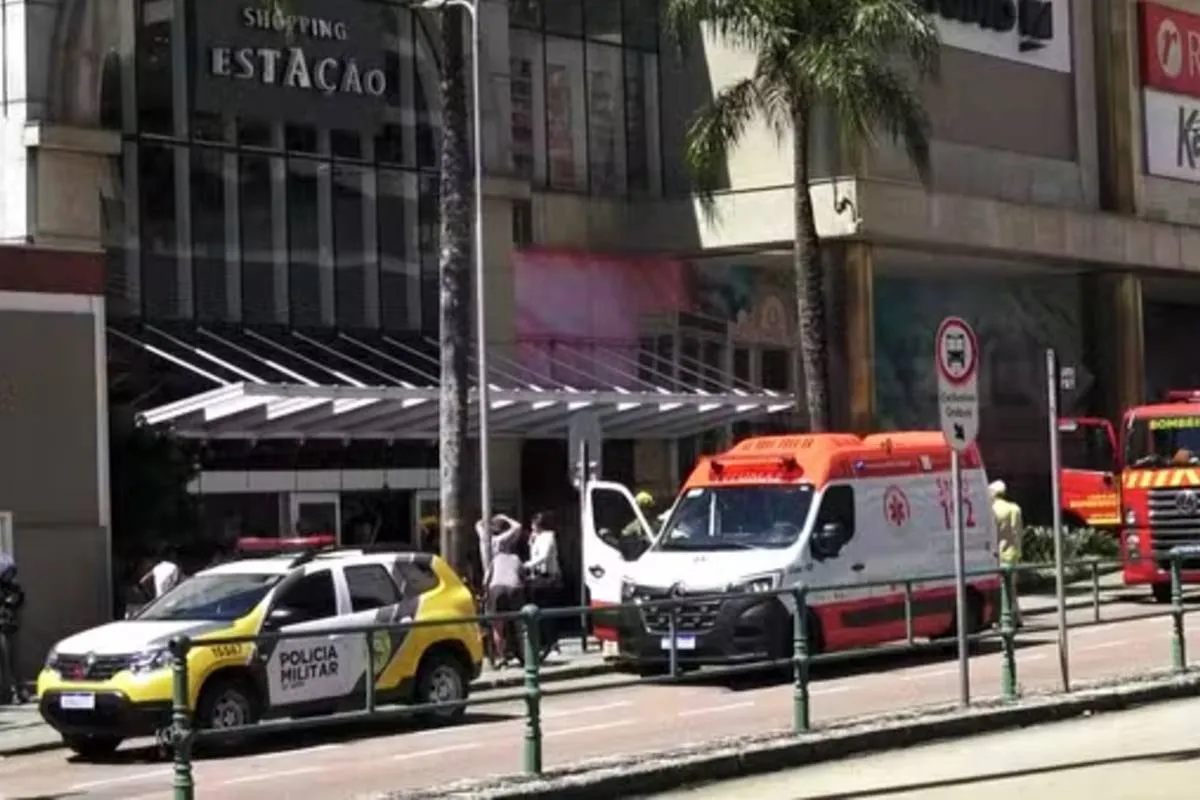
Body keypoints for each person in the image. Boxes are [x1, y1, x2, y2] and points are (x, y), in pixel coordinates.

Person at [484, 532, 526, 668]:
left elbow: (486, 580)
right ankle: (525, 657)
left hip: (497, 590)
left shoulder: (495, 560)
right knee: (519, 624)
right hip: (514, 589)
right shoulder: (516, 558)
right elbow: (523, 575)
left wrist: (485, 594)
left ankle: (502, 658)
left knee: (498, 627)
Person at [991, 480, 1024, 627]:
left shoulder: (991, 510)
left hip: (996, 553)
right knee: (1011, 587)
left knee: (1000, 588)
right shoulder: (1014, 509)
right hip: (1012, 553)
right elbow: (1018, 532)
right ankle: (1015, 616)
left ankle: (1003, 618)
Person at [0, 554, 25, 704]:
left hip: (7, 627)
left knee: (10, 661)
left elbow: (18, 601)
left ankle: (15, 691)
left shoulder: (13, 588)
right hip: (6, 625)